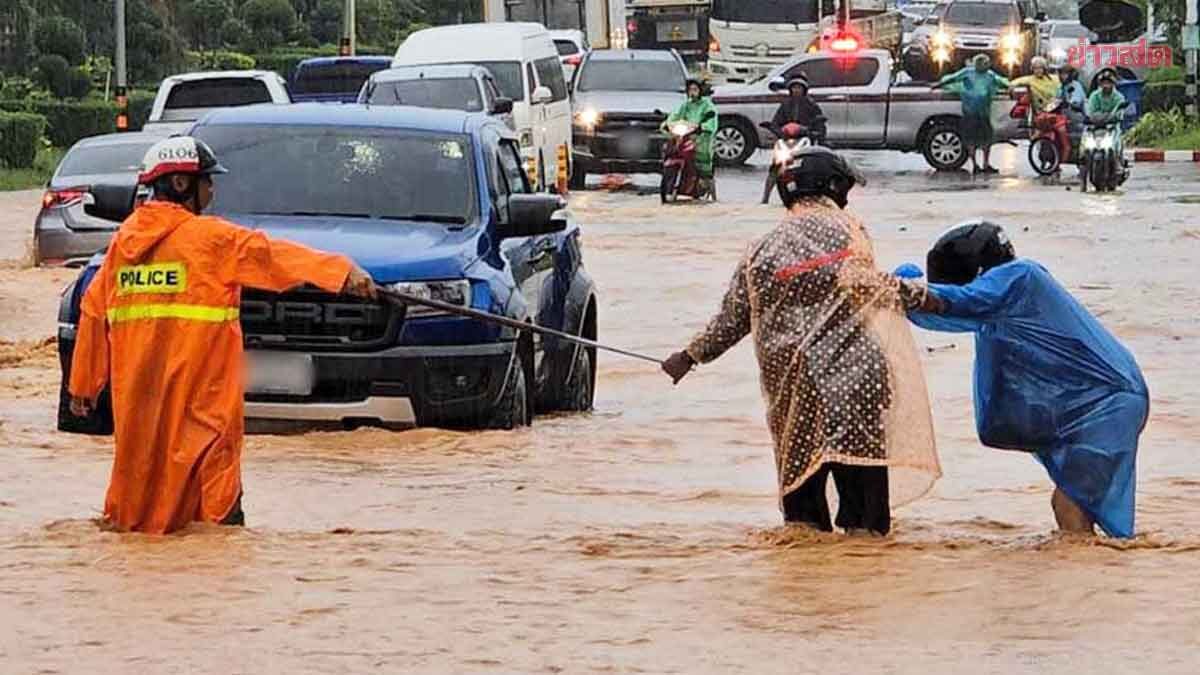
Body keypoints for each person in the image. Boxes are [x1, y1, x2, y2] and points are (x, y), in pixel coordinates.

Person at [68, 136, 376, 534]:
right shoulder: (212, 241)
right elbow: (271, 255)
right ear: (182, 185)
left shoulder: (120, 250)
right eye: (207, 181)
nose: (212, 190)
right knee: (217, 533)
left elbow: (93, 313)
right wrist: (342, 273)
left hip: (139, 413)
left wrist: (84, 387)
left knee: (136, 519)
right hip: (205, 413)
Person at [662, 146, 942, 535]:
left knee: (803, 519)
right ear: (832, 187)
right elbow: (865, 284)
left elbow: (732, 320)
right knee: (866, 521)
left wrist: (689, 356)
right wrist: (924, 296)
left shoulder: (759, 250)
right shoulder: (848, 229)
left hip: (794, 392)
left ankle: (806, 583)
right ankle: (865, 584)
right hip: (857, 383)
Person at [899, 221, 1148, 538]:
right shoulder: (1009, 301)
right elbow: (950, 311)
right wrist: (902, 295)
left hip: (1107, 405)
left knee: (1070, 504)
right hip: (1101, 403)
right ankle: (1100, 574)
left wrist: (920, 294)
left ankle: (1085, 579)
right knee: (1074, 504)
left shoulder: (1020, 277)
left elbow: (963, 300)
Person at [933, 54, 1009, 174]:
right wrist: (938, 85)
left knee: (986, 140)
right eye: (983, 63)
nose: (985, 65)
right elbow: (952, 78)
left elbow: (1002, 82)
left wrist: (1011, 87)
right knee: (971, 140)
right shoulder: (968, 72)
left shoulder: (990, 75)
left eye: (986, 63)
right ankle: (975, 164)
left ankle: (985, 163)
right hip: (970, 112)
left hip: (983, 113)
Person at [666, 77, 719, 192]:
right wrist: (668, 124)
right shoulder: (685, 105)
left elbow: (712, 121)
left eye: (695, 90)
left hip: (701, 137)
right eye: (690, 90)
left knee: (701, 159)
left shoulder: (707, 105)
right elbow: (675, 115)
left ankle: (704, 181)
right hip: (686, 134)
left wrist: (703, 127)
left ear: (700, 91)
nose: (692, 93)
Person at [770, 75, 826, 143]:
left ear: (804, 89)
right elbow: (776, 121)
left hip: (805, 140)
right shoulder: (785, 105)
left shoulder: (811, 105)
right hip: (787, 140)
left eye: (799, 88)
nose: (796, 90)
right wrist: (778, 131)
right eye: (794, 88)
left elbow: (819, 123)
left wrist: (811, 132)